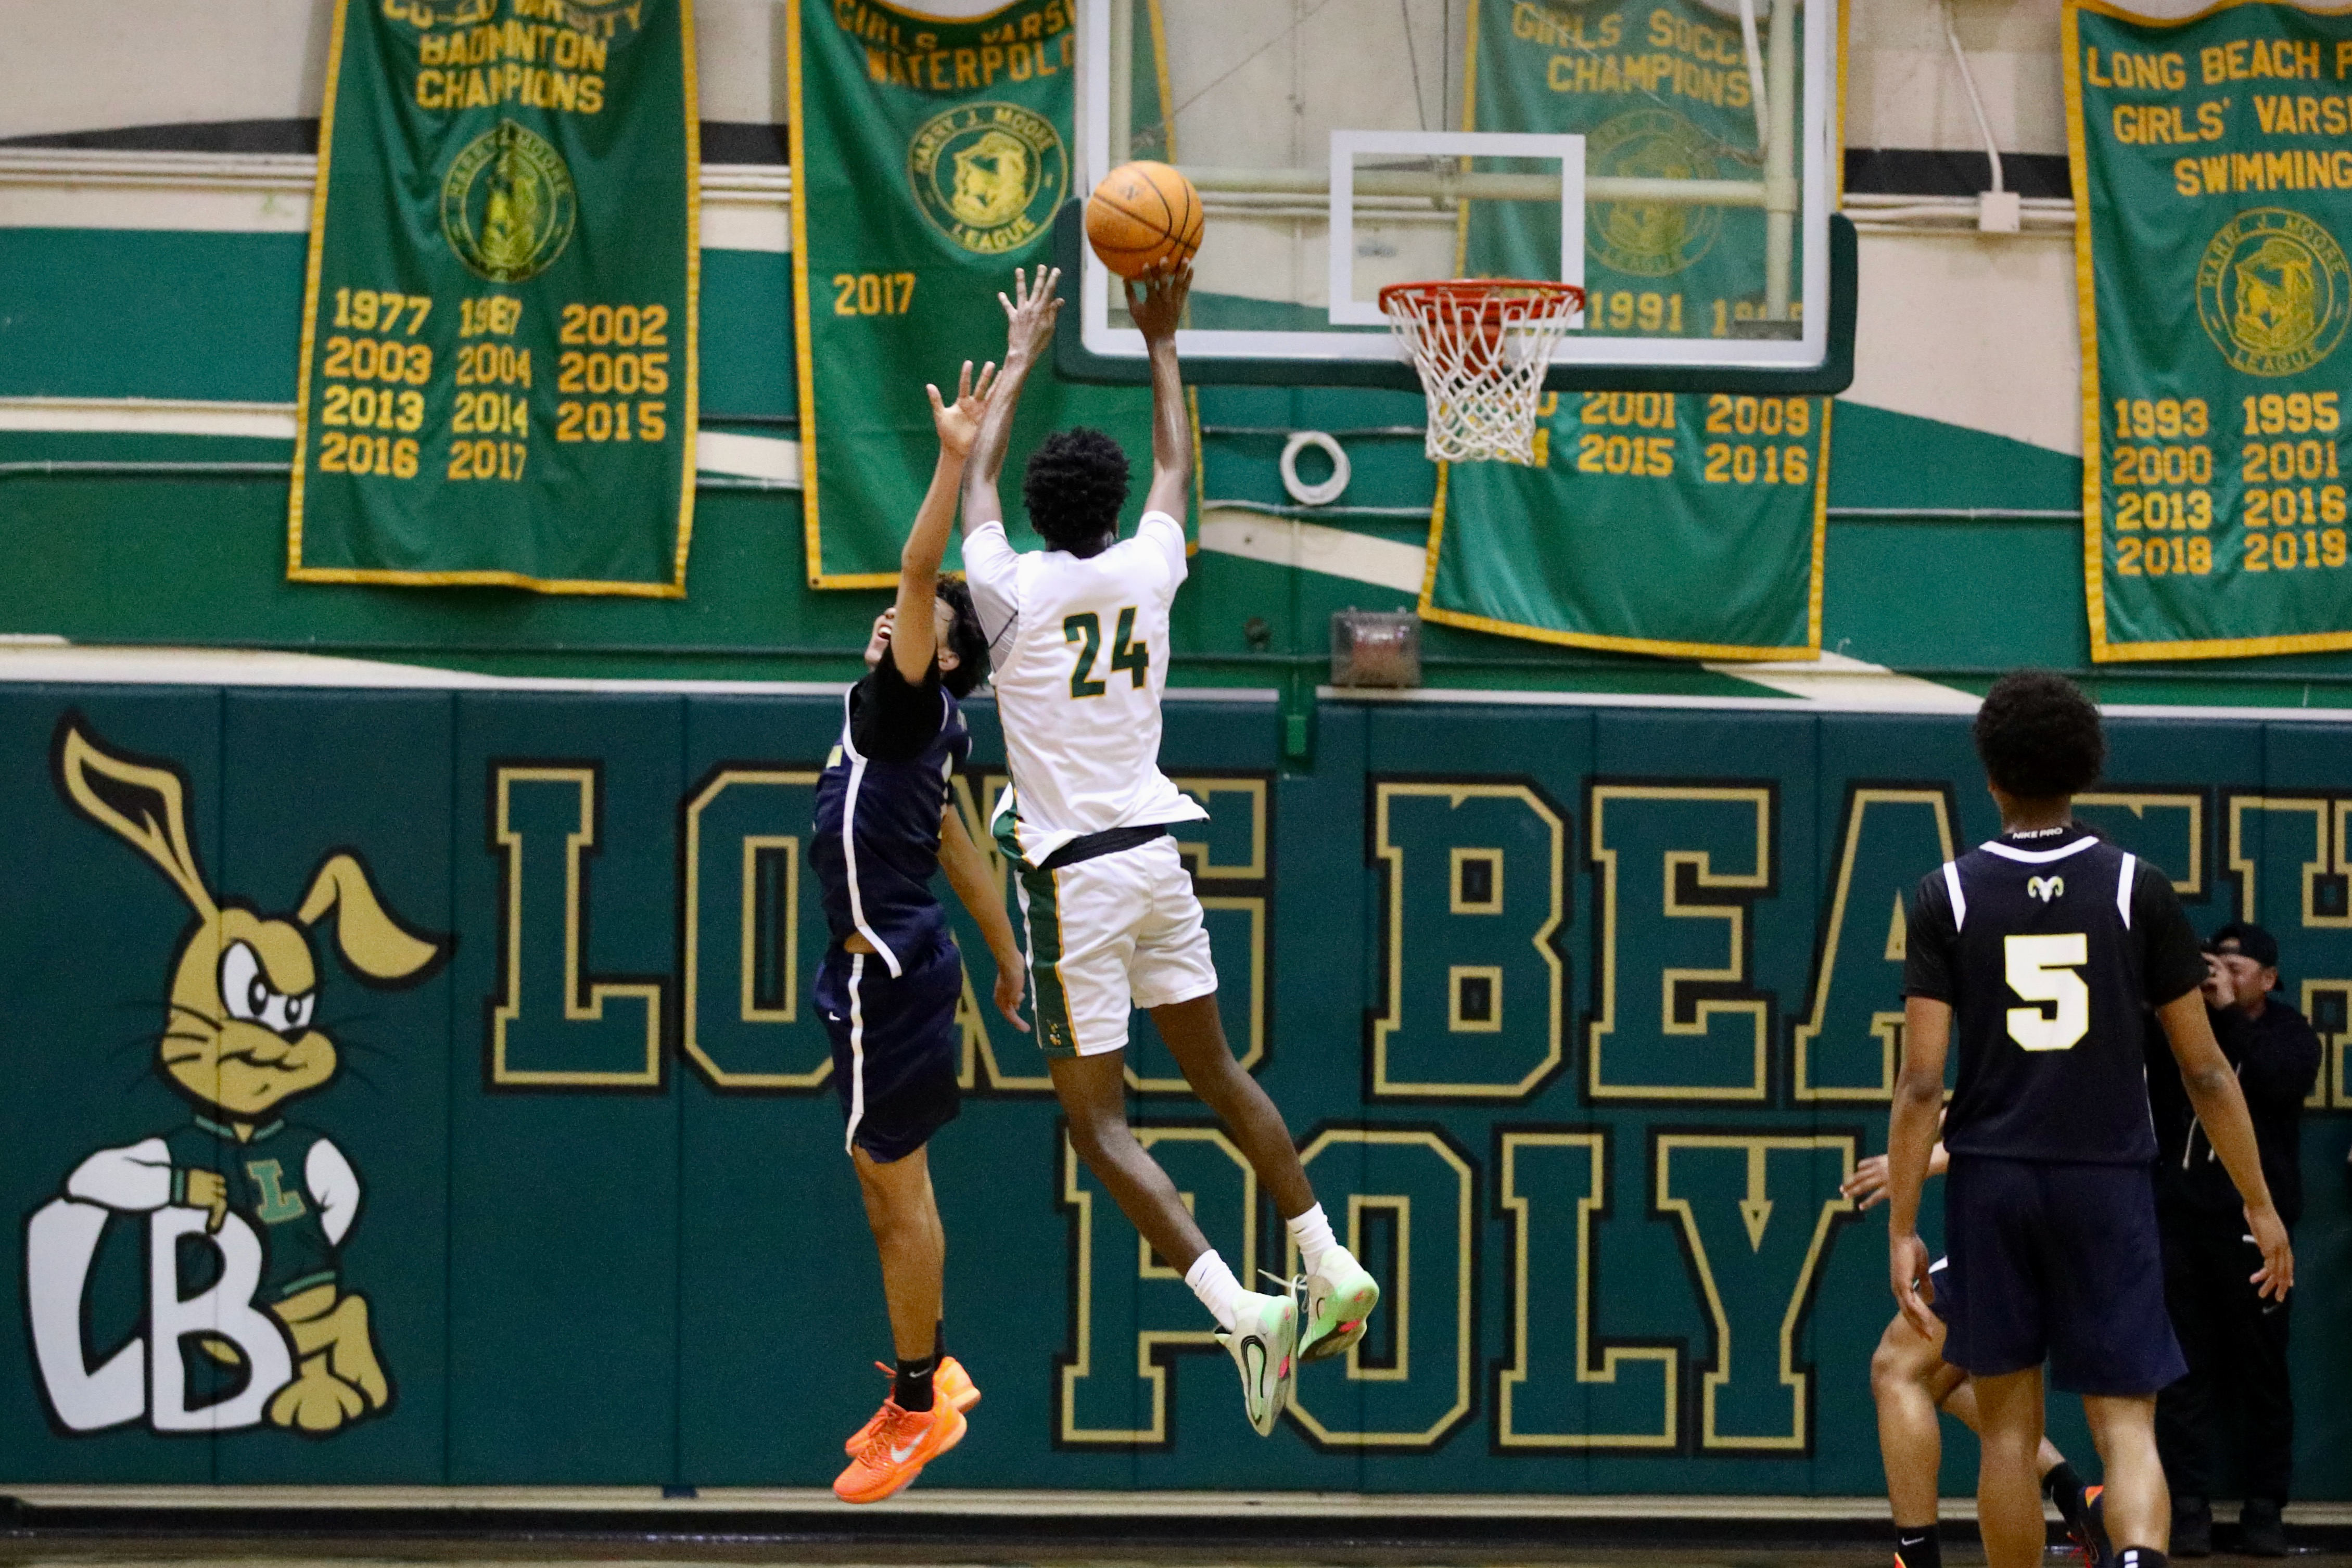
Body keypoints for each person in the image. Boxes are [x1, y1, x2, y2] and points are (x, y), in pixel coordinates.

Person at [956, 264, 1378, 1435]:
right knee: (1221, 1073)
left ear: (1045, 514)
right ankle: (1325, 1254)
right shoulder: (1152, 567)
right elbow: (1180, 467)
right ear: (1112, 503)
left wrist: (1024, 350)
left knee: (1099, 1124)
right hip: (1159, 860)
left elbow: (973, 479)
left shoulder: (1007, 590)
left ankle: (1240, 1305)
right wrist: (1162, 339)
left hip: (1076, 876)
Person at [1882, 670, 2293, 1568]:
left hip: (1991, 1181)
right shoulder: (2133, 887)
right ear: (2085, 770)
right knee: (2124, 1424)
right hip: (2104, 1177)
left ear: (1988, 773)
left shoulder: (1942, 894)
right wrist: (2256, 1203)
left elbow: (1919, 1083)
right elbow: (2203, 1069)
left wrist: (1904, 1221)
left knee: (2003, 1429)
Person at [812, 360, 1033, 1505]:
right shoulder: (918, 728)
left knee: (890, 1188)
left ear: (940, 655)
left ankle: (917, 1401)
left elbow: (914, 565)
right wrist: (1007, 953)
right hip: (897, 969)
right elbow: (956, 846)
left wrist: (953, 458)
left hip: (886, 974)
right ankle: (926, 1372)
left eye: (916, 620)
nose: (892, 614)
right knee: (891, 1181)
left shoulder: (905, 700)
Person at [1848, 1141, 2112, 1568]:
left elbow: (2003, 1106)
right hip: (2104, 1213)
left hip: (2030, 1213)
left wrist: (1915, 1164)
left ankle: (1916, 1555)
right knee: (1942, 1380)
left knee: (1898, 1368)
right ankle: (2077, 1495)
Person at [2152, 923, 2319, 1557]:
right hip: (2182, 1225)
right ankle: (2187, 1507)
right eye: (2212, 963)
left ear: (2268, 979)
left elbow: (2279, 1083)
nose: (2219, 974)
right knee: (2181, 1374)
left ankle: (2263, 1507)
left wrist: (2230, 1019)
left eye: (2235, 966)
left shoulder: (2288, 1033)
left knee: (2261, 1374)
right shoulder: (2173, 1027)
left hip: (2256, 1233)